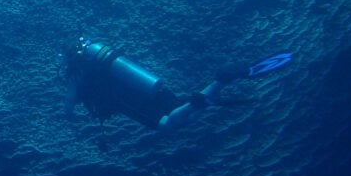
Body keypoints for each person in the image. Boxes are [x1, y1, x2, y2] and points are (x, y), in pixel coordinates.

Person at [61, 37, 292, 136]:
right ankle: (220, 80)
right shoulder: (100, 62)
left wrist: (71, 119)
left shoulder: (76, 76)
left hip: (131, 102)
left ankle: (201, 97)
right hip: (152, 86)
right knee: (186, 116)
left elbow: (69, 105)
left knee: (167, 126)